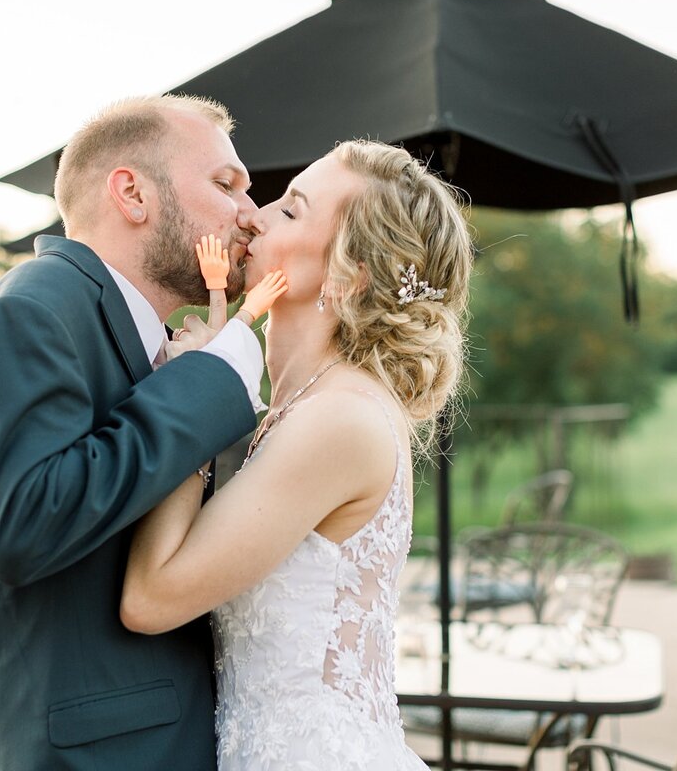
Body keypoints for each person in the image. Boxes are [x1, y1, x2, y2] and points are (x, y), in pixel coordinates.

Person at [0, 94, 269, 770]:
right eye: (224, 184)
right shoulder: (35, 306)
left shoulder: (168, 343)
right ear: (133, 193)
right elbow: (21, 524)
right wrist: (208, 382)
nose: (251, 214)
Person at [122, 140, 473, 769]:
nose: (254, 213)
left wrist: (196, 395)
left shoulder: (340, 420)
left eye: (291, 210)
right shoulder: (293, 412)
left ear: (347, 275)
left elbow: (152, 598)